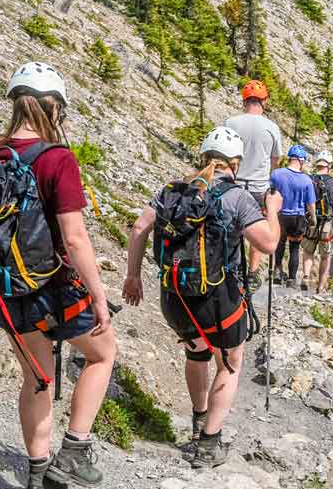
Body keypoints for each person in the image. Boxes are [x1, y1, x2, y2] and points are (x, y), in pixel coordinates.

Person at [0, 63, 117, 489]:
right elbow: (75, 237)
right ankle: (75, 451)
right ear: (55, 108)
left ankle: (39, 472)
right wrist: (99, 295)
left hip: (7, 289)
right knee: (102, 354)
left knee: (36, 378)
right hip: (55, 285)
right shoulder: (56, 158)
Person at [121, 127, 282, 469]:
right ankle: (209, 443)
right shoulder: (236, 197)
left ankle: (198, 420)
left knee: (196, 353)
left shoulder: (172, 190)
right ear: (234, 164)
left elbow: (138, 229)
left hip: (174, 297)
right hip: (217, 299)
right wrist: (272, 210)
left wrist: (133, 276)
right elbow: (267, 244)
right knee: (229, 363)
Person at [224, 80, 283, 286]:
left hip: (234, 183)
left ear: (244, 100)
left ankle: (230, 264)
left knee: (230, 226)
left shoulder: (230, 123)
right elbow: (276, 160)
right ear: (264, 100)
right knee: (255, 224)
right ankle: (253, 271)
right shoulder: (272, 127)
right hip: (258, 186)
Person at [300, 151, 333, 293]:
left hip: (311, 220)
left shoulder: (309, 179)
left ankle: (306, 276)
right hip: (327, 224)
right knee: (325, 256)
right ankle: (320, 286)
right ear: (329, 165)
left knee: (308, 251)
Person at [270, 144, 316, 287]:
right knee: (295, 247)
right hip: (298, 217)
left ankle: (277, 270)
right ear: (302, 160)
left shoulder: (276, 174)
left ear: (290, 158)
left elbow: (269, 193)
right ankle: (291, 279)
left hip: (280, 214)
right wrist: (313, 217)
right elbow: (310, 203)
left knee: (280, 243)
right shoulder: (307, 180)